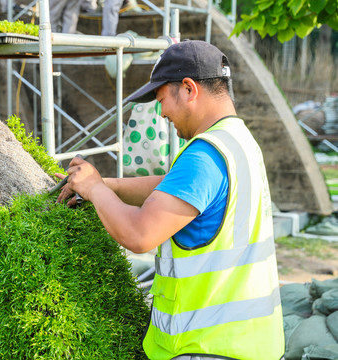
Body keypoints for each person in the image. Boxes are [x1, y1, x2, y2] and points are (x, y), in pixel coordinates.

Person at [56, 40, 285, 359]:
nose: (162, 113)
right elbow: (173, 189)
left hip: (206, 347)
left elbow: (138, 235)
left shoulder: (203, 156)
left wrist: (96, 190)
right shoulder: (237, 141)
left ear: (189, 89)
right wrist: (107, 184)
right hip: (251, 343)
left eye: (162, 99)